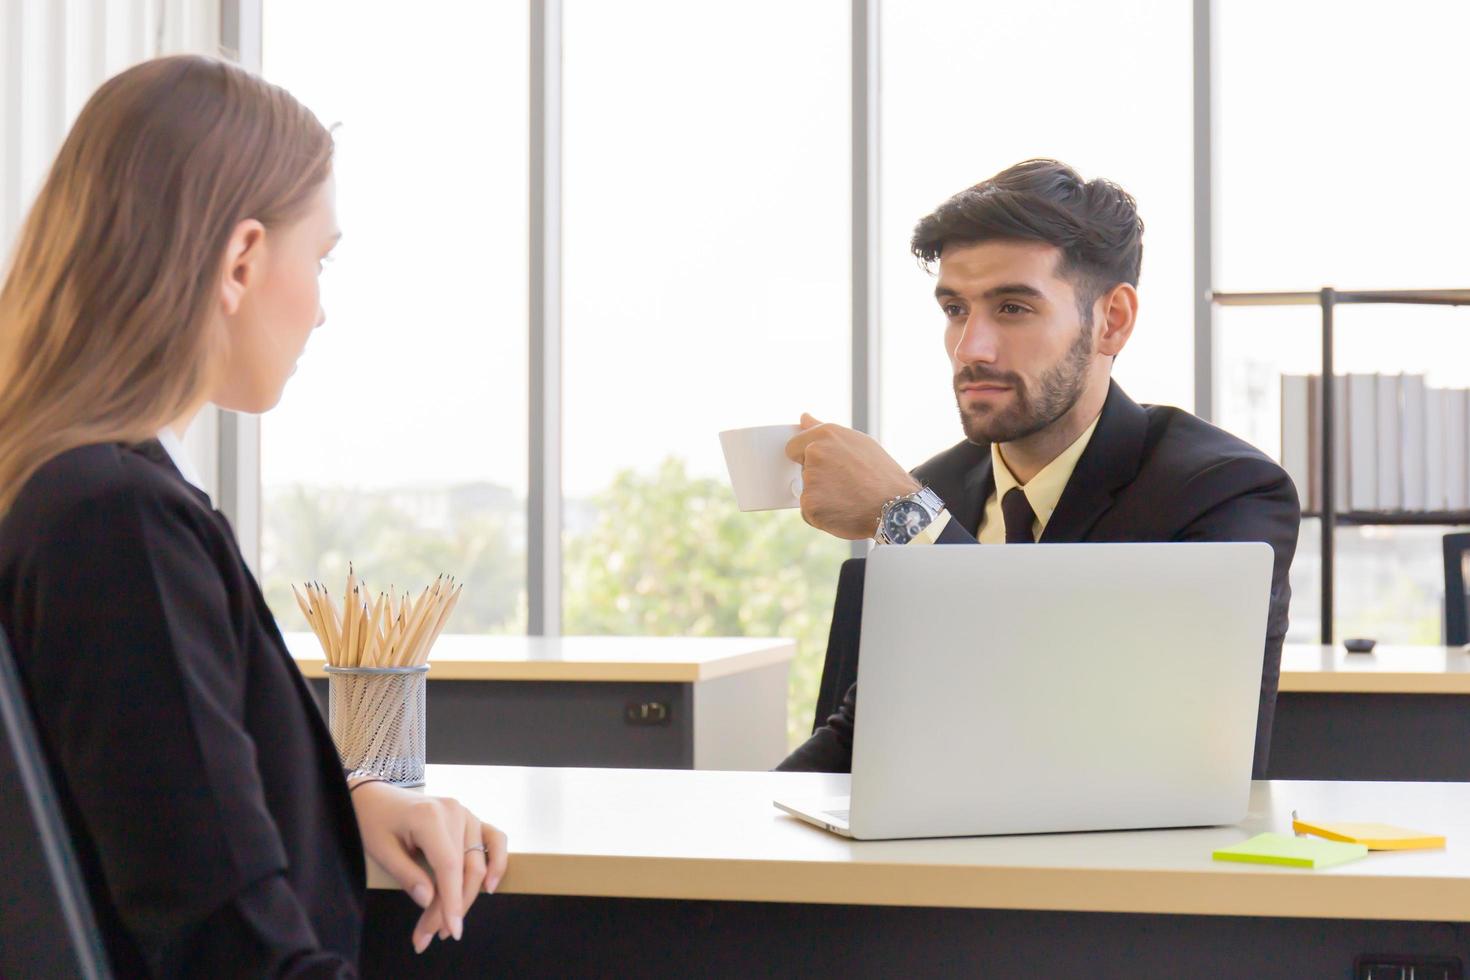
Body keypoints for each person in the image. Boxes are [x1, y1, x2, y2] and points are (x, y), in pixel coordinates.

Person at [0, 55, 506, 975]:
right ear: (240, 260)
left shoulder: (59, 485)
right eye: (320, 259)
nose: (321, 311)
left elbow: (131, 800)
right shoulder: (120, 525)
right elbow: (227, 943)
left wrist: (337, 801)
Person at [778, 159, 1300, 778]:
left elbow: (1105, 732)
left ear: (1113, 320)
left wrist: (909, 520)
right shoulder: (938, 490)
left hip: (1123, 868)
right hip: (933, 858)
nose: (971, 347)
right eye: (954, 309)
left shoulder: (1221, 493)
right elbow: (865, 733)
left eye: (1013, 308)